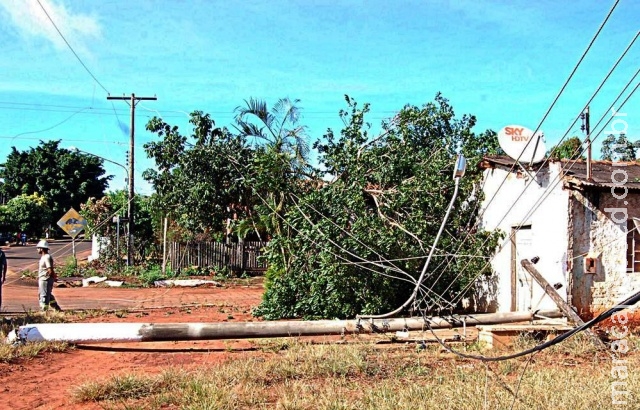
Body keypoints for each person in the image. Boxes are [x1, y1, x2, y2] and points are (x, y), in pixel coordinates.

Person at [36, 240, 60, 311]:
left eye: (38, 248)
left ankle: (44, 310)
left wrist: (50, 277)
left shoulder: (46, 257)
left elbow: (50, 269)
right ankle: (56, 308)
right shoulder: (43, 257)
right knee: (47, 294)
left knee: (44, 296)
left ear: (42, 249)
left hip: (45, 279)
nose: (37, 250)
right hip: (43, 278)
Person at [0, 247, 6, 311]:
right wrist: (4, 276)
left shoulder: (1, 253)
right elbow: (5, 265)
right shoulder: (1, 253)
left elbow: (5, 265)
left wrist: (4, 276)